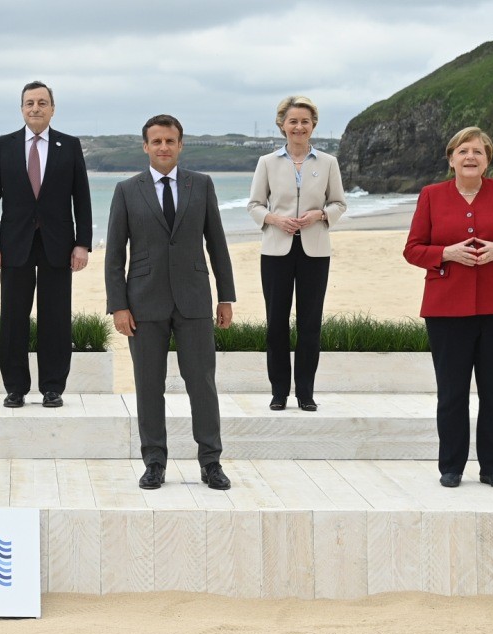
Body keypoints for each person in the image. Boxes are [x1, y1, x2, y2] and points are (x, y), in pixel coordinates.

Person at [104, 115, 237, 491]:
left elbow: (217, 244)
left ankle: (211, 462)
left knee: (202, 383)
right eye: (157, 141)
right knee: (148, 386)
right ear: (145, 146)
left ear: (180, 145)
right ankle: (154, 462)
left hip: (194, 299)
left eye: (170, 141)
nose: (163, 147)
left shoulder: (202, 184)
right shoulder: (126, 190)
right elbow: (114, 255)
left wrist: (226, 296)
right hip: (143, 303)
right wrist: (118, 305)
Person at [402, 126, 493, 489]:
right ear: (451, 159)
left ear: (487, 160)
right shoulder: (431, 196)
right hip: (446, 308)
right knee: (451, 393)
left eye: (478, 151)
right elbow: (413, 249)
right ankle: (451, 467)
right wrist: (445, 253)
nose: (470, 157)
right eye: (463, 151)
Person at [0, 81, 93, 409]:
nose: (35, 108)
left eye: (42, 102)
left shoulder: (69, 145)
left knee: (55, 318)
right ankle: (15, 388)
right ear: (21, 109)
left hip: (58, 244)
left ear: (52, 109)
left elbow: (82, 198)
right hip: (14, 244)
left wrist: (82, 243)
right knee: (13, 319)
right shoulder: (3, 146)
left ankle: (52, 387)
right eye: (29, 103)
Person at [246, 96, 347, 412]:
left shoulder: (328, 163)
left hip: (315, 252)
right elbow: (254, 205)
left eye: (305, 121)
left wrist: (320, 215)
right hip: (275, 251)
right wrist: (275, 219)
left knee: (310, 324)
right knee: (276, 323)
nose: (299, 127)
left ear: (313, 125)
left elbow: (339, 203)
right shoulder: (267, 162)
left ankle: (305, 393)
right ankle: (279, 392)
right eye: (293, 121)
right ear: (282, 125)